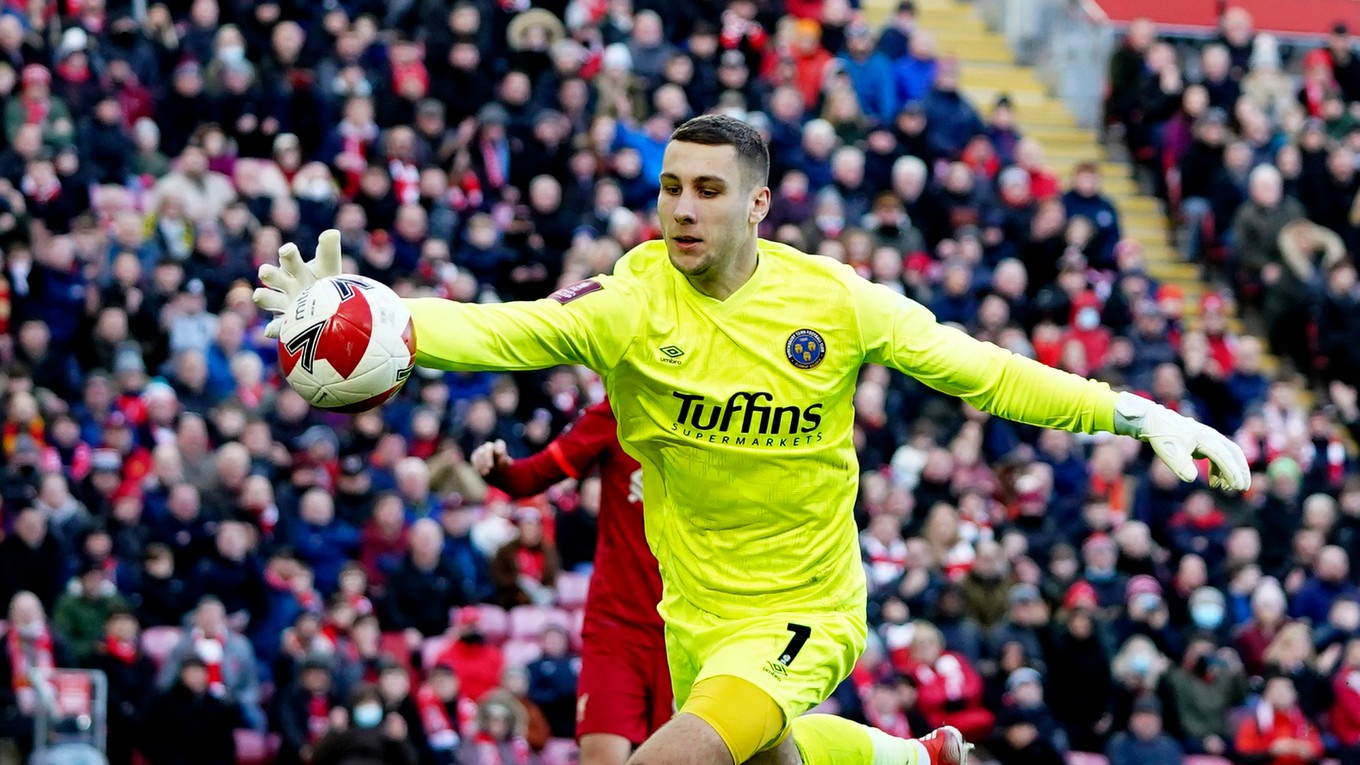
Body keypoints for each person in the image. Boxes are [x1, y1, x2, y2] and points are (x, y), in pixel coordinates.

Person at [256, 114, 1250, 765]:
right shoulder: (627, 304)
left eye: (707, 190)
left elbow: (985, 372)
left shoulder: (835, 301)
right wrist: (380, 325)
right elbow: (501, 330)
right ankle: (912, 758)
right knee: (769, 760)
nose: (682, 208)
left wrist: (1137, 411)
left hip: (806, 608)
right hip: (694, 616)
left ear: (758, 205)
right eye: (669, 187)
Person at [470, 399, 669, 765]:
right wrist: (500, 470)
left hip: (689, 630)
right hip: (618, 627)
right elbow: (530, 476)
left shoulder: (729, 418)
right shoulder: (622, 408)